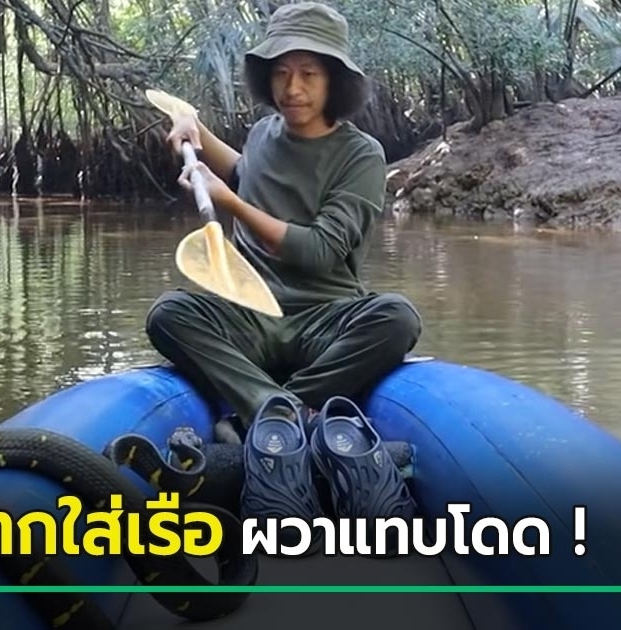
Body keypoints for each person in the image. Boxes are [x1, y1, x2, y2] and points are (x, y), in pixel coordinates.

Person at [144, 2, 419, 548]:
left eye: (309, 74)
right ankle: (288, 415)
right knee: (169, 313)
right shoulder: (264, 135)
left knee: (397, 318)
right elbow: (243, 170)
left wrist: (231, 205)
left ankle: (266, 416)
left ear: (334, 81)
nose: (293, 88)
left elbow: (318, 251)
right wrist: (191, 124)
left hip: (327, 319)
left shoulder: (362, 155)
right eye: (281, 73)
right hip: (249, 316)